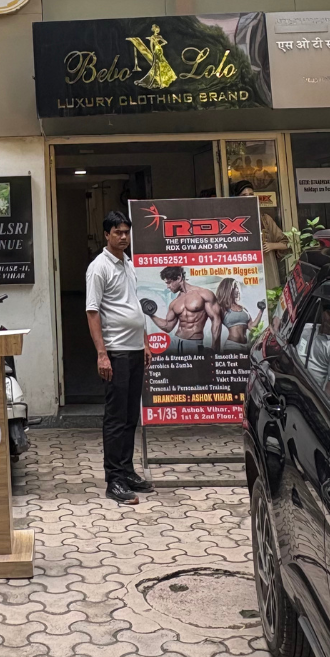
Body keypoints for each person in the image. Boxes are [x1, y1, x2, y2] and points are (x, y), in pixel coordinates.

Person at [85, 210, 154, 506]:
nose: (124, 237)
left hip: (135, 349)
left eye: (127, 232)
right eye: (118, 232)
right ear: (107, 235)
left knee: (129, 416)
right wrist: (102, 354)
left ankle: (127, 471)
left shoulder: (128, 263)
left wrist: (145, 342)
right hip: (116, 351)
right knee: (115, 417)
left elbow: (134, 304)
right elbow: (92, 312)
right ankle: (114, 479)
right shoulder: (98, 268)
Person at [146, 267, 223, 353]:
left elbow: (216, 320)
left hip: (193, 343)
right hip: (175, 342)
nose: (168, 286)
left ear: (179, 278)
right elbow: (167, 327)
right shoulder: (175, 302)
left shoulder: (204, 294)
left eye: (169, 282)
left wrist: (215, 348)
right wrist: (150, 314)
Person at [296, 302, 330, 398]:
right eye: (329, 314)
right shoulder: (307, 328)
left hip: (309, 391)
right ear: (323, 313)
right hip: (292, 374)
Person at [214, 278, 253, 348]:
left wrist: (261, 311)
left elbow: (252, 327)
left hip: (246, 346)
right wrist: (215, 349)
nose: (238, 290)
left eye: (238, 288)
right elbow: (216, 329)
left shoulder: (243, 309)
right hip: (232, 345)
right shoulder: (222, 308)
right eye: (235, 288)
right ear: (228, 290)